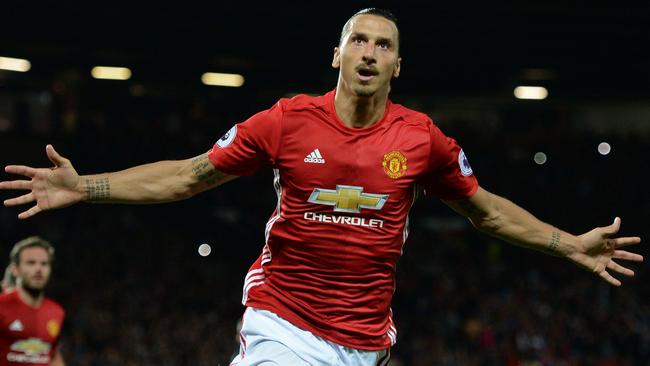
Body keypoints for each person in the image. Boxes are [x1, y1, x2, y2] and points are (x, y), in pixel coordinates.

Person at [0, 7, 643, 366]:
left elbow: (487, 213)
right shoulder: (284, 121)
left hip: (366, 341)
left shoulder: (422, 140)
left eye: (382, 44)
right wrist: (87, 187)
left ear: (396, 64)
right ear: (336, 55)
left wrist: (567, 245)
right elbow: (189, 175)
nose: (368, 51)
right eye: (356, 40)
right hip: (283, 321)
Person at [0, 236, 66, 366]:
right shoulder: (2, 306)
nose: (38, 269)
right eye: (31, 263)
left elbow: (51, 356)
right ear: (15, 269)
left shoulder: (56, 312)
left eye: (44, 264)